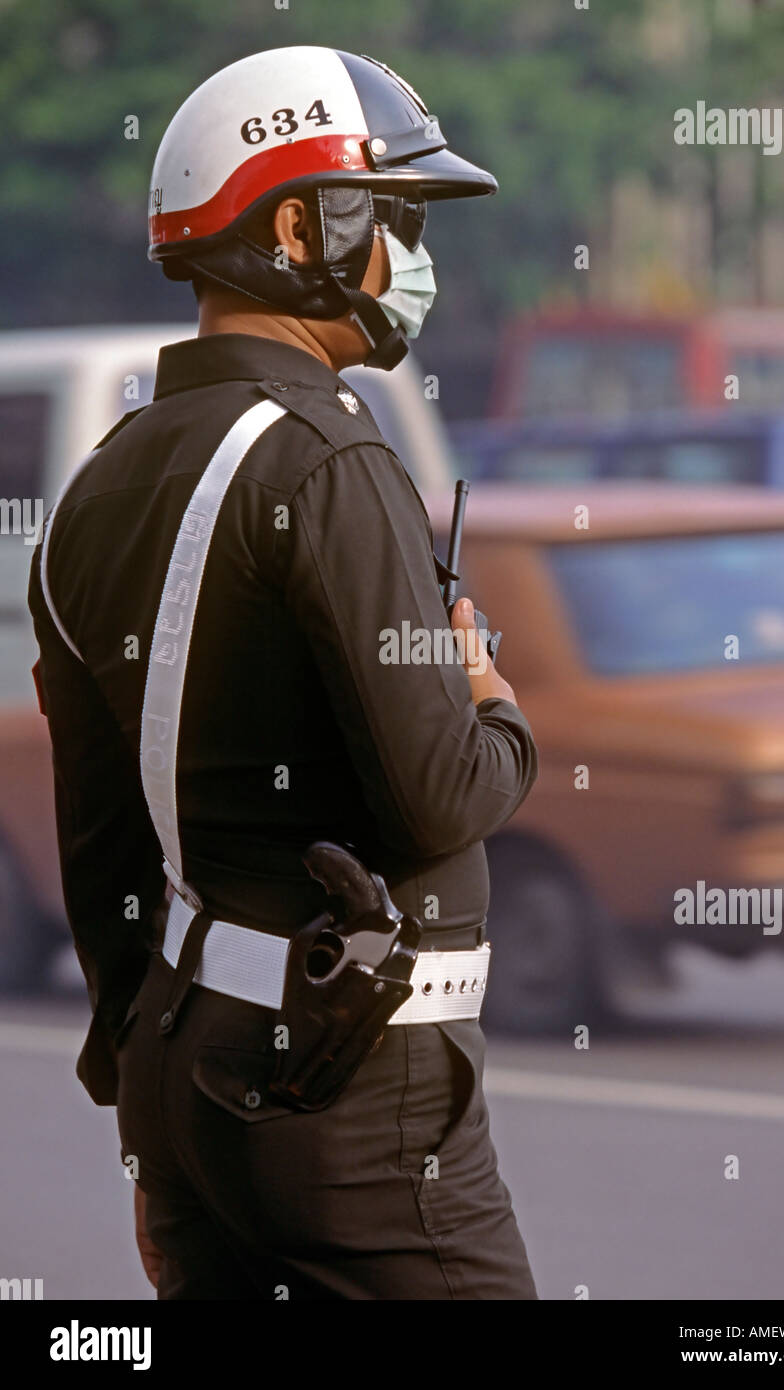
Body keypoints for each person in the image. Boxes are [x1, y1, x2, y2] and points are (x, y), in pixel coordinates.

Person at [28, 46, 539, 1300]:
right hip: (352, 1093)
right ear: (304, 226)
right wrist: (489, 695)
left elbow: (99, 850)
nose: (414, 255)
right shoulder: (327, 459)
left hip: (181, 1074)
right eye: (400, 217)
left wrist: (144, 1123)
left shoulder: (99, 480)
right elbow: (442, 797)